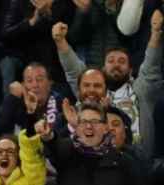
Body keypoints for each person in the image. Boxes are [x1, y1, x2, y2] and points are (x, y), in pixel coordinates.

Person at [52, 12, 164, 157]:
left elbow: (151, 66)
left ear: (130, 71)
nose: (116, 65)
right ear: (103, 68)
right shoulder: (93, 91)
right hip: (98, 162)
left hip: (138, 162)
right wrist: (60, 41)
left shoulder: (142, 91)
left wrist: (155, 33)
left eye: (122, 61)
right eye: (111, 61)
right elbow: (75, 72)